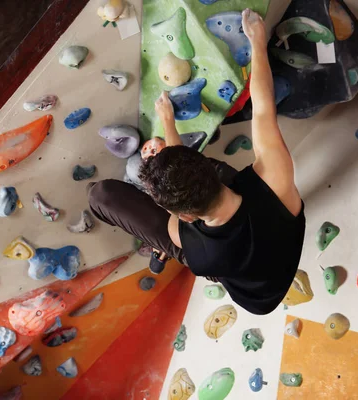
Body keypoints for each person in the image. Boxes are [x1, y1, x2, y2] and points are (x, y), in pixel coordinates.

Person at [88, 9, 305, 315]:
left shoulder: (199, 253)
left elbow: (174, 221)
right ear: (209, 165)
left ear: (188, 217)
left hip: (254, 295)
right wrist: (257, 40)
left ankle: (159, 248)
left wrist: (169, 128)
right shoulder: (276, 182)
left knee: (99, 197)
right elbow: (263, 108)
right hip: (272, 262)